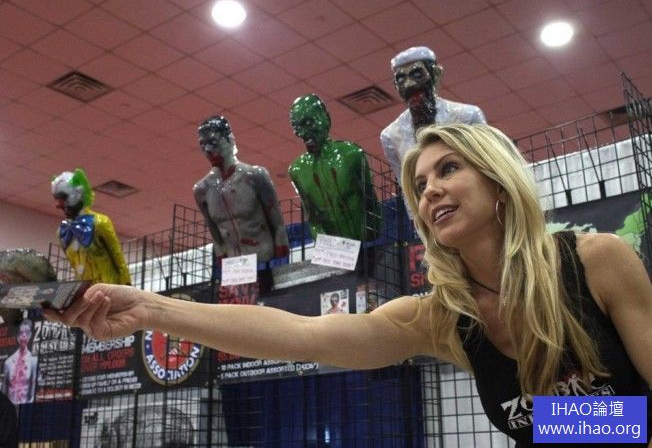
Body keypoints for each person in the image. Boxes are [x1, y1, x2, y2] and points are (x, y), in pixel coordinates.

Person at [43, 124, 652, 447]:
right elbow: (301, 336)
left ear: (498, 182)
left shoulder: (597, 261)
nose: (431, 190)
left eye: (449, 169)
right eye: (420, 185)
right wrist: (150, 308)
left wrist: (556, 422)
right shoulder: (443, 317)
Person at [381, 46, 486, 187]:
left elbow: (486, 168)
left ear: (435, 74)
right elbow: (407, 188)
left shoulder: (467, 116)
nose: (409, 84)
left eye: (417, 75)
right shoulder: (391, 136)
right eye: (401, 80)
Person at [194, 116, 289, 265]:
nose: (208, 150)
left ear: (230, 139)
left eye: (213, 142)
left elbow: (278, 226)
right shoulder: (202, 190)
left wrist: (280, 264)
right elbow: (216, 238)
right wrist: (222, 269)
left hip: (263, 261)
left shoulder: (255, 176)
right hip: (233, 267)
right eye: (203, 144)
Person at [288, 94, 382, 241]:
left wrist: (371, 238)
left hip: (364, 242)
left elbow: (371, 203)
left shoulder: (351, 154)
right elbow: (312, 219)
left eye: (308, 122)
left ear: (326, 119)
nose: (301, 132)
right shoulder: (297, 170)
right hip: (334, 249)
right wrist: (325, 245)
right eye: (296, 126)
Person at [51, 169, 131, 285]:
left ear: (78, 193)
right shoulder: (62, 232)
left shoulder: (100, 222)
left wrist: (126, 288)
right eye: (57, 199)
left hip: (108, 289)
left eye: (63, 198)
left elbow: (118, 258)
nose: (58, 205)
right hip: (84, 292)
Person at [2, 319, 38, 405]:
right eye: (21, 333)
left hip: (26, 407)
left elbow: (33, 390)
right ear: (17, 336)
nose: (24, 336)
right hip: (9, 407)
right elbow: (4, 389)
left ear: (30, 335)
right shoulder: (8, 362)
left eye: (27, 333)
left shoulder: (34, 361)